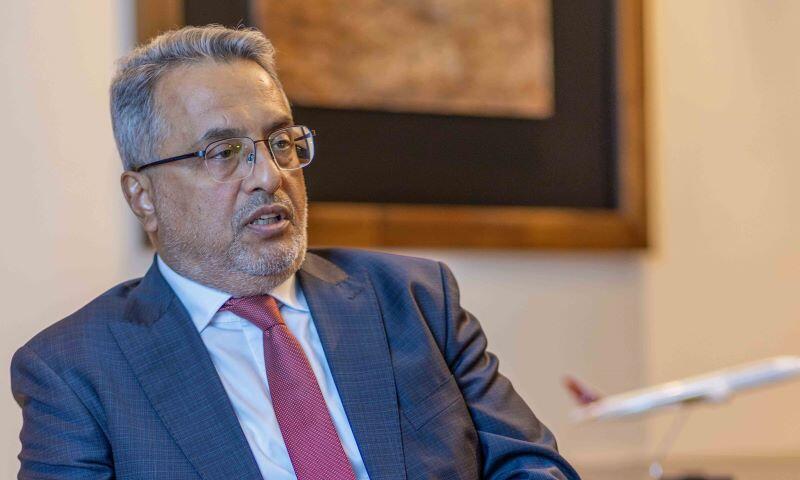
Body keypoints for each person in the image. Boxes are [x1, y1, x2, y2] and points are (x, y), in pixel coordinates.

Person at [11, 25, 580, 480]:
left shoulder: (416, 300)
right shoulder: (74, 370)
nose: (269, 175)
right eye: (222, 152)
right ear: (143, 196)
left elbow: (531, 465)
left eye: (280, 142)